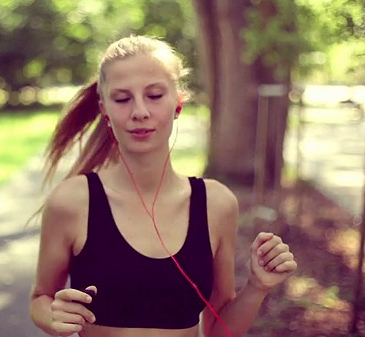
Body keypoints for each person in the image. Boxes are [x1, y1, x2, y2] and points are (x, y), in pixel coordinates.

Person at [28, 35, 297, 337]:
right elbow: (41, 298)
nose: (139, 111)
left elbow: (218, 331)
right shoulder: (72, 202)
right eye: (122, 99)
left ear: (178, 103)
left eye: (155, 95)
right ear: (104, 108)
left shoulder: (216, 204)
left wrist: (257, 288)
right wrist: (52, 316)